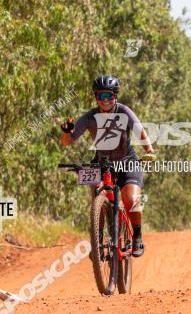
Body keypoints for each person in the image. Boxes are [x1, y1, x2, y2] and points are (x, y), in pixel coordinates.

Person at [60, 75, 156, 257]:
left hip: (127, 161)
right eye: (101, 96)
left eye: (109, 96)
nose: (105, 101)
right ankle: (98, 239)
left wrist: (149, 149)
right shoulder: (90, 117)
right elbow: (67, 142)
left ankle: (137, 236)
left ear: (115, 96)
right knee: (97, 193)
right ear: (96, 97)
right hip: (101, 162)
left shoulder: (124, 111)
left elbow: (140, 130)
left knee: (131, 199)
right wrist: (66, 132)